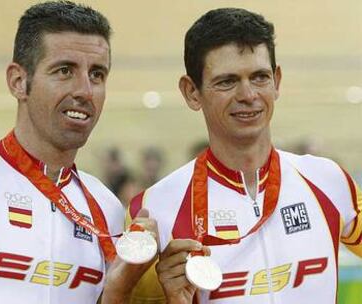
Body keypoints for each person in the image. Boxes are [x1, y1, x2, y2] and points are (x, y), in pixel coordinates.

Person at [127, 8, 362, 304]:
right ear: (191, 92)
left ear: (276, 81)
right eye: (227, 81)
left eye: (259, 77)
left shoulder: (328, 180)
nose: (248, 94)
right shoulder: (154, 207)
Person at [0, 2, 153, 303]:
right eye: (64, 70)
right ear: (19, 82)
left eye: (97, 74)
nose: (85, 90)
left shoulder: (107, 209)